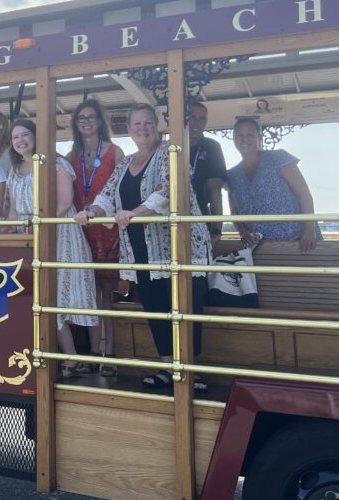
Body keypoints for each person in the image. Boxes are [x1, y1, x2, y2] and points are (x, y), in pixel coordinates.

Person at [75, 103, 213, 392]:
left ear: (157, 125)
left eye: (148, 123)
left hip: (178, 248)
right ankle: (166, 366)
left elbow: (168, 191)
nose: (142, 129)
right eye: (136, 124)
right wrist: (93, 211)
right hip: (141, 251)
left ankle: (190, 370)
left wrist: (135, 212)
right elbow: (108, 193)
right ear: (129, 129)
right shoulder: (125, 163)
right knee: (156, 307)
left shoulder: (169, 153)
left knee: (183, 307)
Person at [7, 120, 103, 376]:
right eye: (15, 137)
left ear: (37, 136)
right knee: (44, 297)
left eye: (25, 134)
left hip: (60, 234)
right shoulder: (15, 169)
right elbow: (14, 210)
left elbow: (64, 203)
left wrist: (40, 226)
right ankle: (69, 357)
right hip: (29, 238)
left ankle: (97, 355)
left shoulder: (57, 163)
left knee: (74, 294)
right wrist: (8, 233)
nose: (20, 140)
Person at [67, 99, 125, 369]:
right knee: (86, 292)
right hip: (81, 230)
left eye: (91, 117)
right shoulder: (70, 156)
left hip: (108, 230)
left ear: (101, 122)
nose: (86, 122)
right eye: (81, 118)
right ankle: (91, 352)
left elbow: (121, 190)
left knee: (106, 294)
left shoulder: (115, 152)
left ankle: (110, 354)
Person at [226, 117, 321, 252]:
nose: (244, 139)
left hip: (300, 242)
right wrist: (243, 233)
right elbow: (234, 213)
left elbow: (304, 194)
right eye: (239, 135)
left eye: (250, 135)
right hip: (262, 249)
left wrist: (309, 230)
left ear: (259, 137)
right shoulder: (232, 175)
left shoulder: (279, 158)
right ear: (234, 139)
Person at [186, 103, 227, 243]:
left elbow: (215, 191)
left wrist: (216, 230)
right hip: (167, 220)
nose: (197, 123)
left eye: (202, 118)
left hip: (200, 219)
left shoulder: (212, 147)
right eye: (192, 117)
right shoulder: (169, 146)